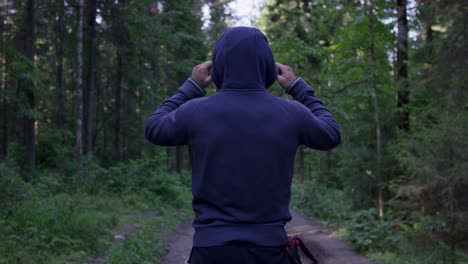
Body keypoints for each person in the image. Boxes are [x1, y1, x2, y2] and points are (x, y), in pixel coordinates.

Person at [145, 27, 341, 264]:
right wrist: (298, 86)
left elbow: (154, 128)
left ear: (217, 66)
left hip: (211, 251)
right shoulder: (291, 113)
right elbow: (331, 134)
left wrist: (191, 86)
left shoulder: (196, 111)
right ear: (267, 66)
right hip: (269, 251)